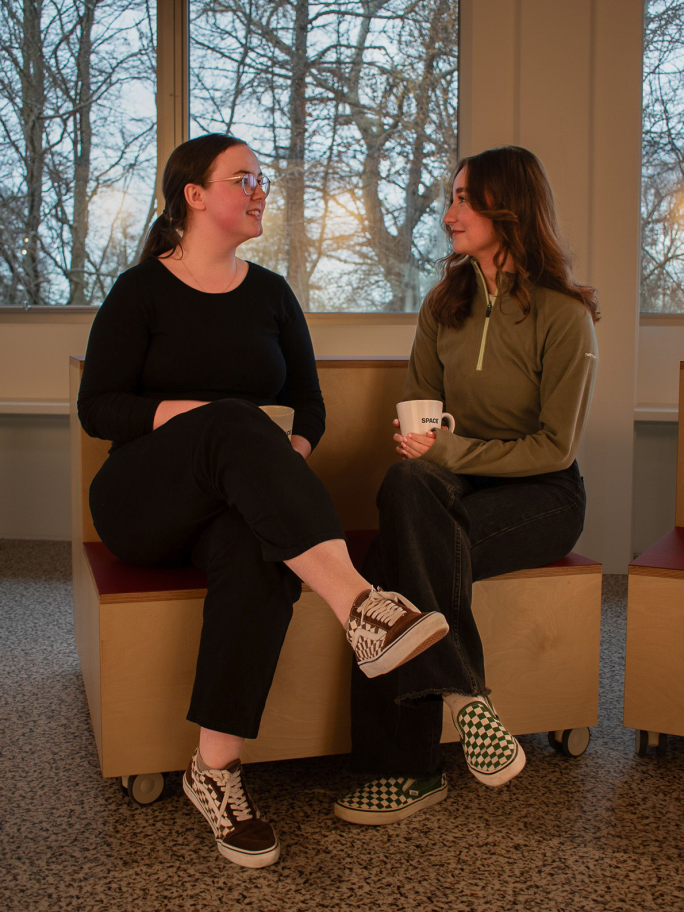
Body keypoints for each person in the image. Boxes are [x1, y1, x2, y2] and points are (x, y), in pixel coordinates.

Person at [78, 133, 449, 868]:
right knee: (232, 418)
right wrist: (200, 418)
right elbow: (99, 409)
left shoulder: (273, 294)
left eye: (262, 180)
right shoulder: (140, 290)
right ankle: (361, 607)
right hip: (144, 501)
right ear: (194, 195)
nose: (259, 191)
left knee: (262, 553)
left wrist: (282, 461)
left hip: (236, 505)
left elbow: (308, 410)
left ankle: (213, 772)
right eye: (243, 178)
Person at [334, 145, 599, 826]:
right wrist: (424, 449)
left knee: (389, 568)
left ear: (507, 207)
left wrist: (445, 448)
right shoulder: (441, 306)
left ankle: (410, 769)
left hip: (543, 496)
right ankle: (471, 702)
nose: (448, 213)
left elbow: (553, 446)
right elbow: (420, 400)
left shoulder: (563, 316)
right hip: (452, 489)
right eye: (450, 198)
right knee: (405, 485)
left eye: (463, 199)